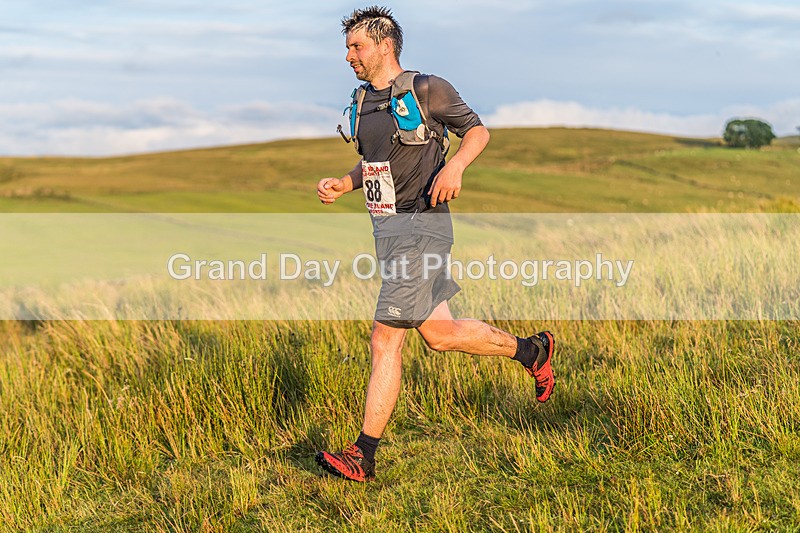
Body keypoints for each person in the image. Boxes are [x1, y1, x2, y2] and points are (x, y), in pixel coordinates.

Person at [314, 6, 555, 482]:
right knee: (441, 335)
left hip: (422, 228)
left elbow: (478, 132)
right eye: (346, 47)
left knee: (385, 338)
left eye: (356, 46)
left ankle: (363, 454)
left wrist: (455, 167)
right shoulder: (363, 103)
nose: (348, 56)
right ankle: (532, 352)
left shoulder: (427, 89)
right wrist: (344, 183)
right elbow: (377, 163)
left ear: (385, 45)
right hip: (389, 233)